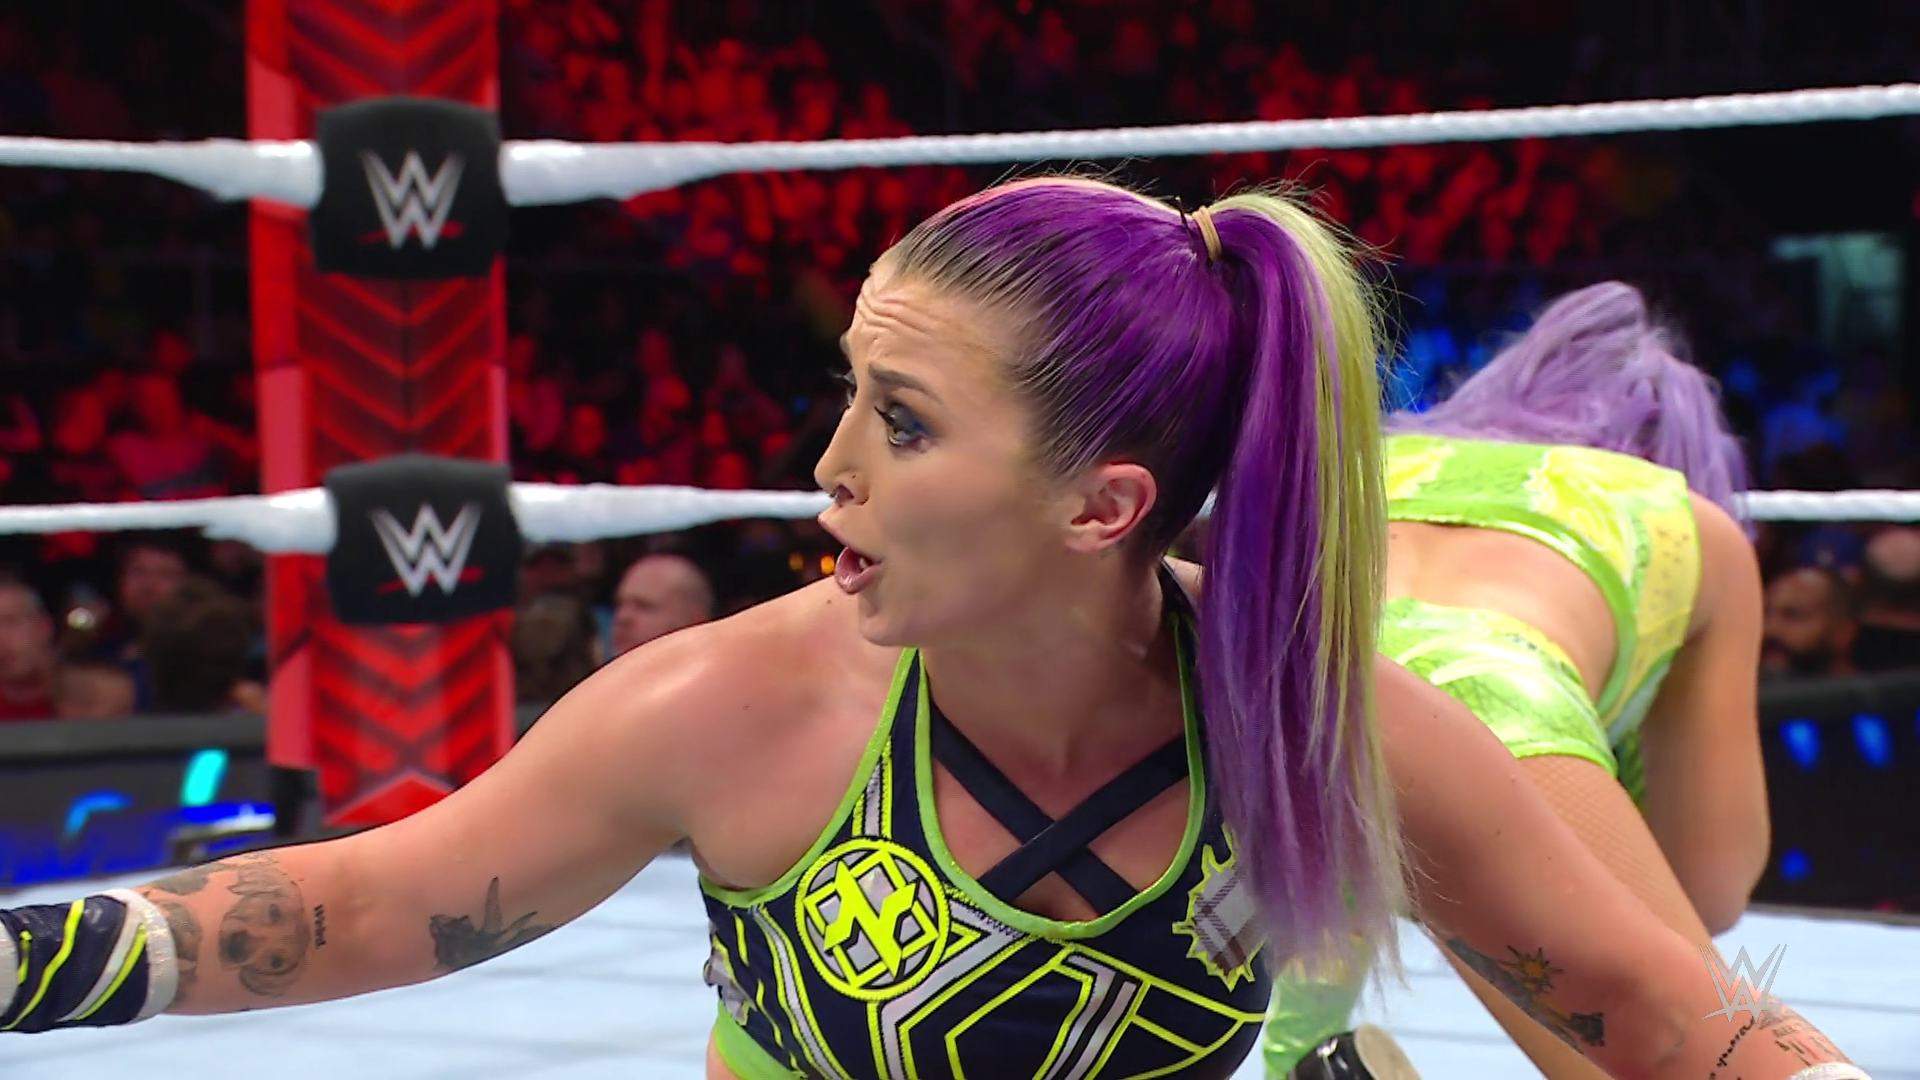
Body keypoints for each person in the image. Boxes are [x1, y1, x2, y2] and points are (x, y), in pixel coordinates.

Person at [0, 184, 1862, 1080]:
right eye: (850, 395)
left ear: (1100, 507)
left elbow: (1658, 1009)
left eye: (898, 422)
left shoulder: (1326, 723)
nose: (827, 469)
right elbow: (357, 905)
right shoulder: (730, 707)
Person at [1262, 282, 1787, 1079]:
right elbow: (1711, 887)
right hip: (1492, 698)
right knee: (1698, 1048)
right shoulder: (1681, 517)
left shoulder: (1366, 462)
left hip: (1274, 705)